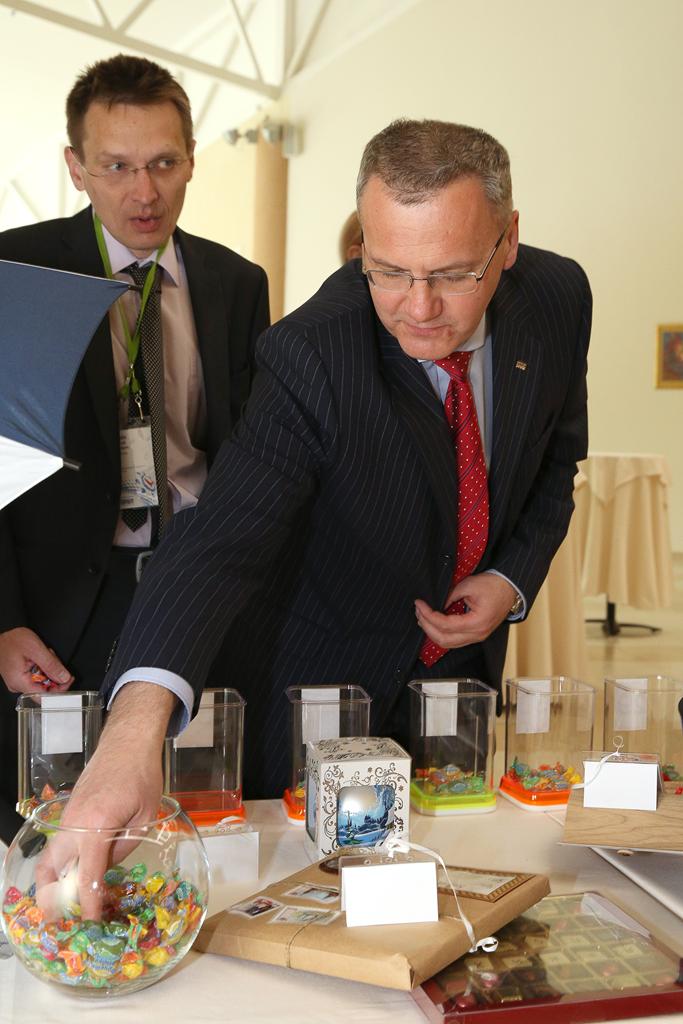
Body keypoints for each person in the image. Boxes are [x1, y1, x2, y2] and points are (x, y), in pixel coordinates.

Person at [62, 118, 591, 848]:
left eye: (451, 274)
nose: (418, 306)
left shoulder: (559, 299)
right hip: (320, 677)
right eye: (388, 270)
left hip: (455, 683)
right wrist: (130, 739)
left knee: (458, 865)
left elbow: (556, 462)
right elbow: (219, 542)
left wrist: (510, 576)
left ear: (508, 241)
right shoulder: (313, 350)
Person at [0, 54, 269, 832]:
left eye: (162, 163)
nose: (143, 191)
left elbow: (248, 456)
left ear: (191, 161)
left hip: (194, 584)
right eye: (116, 166)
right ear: (76, 167)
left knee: (192, 820)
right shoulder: (16, 269)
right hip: (57, 606)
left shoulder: (235, 283)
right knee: (49, 826)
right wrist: (2, 618)